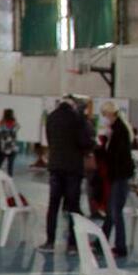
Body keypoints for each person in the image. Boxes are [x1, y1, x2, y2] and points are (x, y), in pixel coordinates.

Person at [39, 96, 93, 253]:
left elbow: (49, 140)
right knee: (73, 207)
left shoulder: (51, 117)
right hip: (73, 169)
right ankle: (72, 244)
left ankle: (49, 242)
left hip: (55, 166)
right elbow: (85, 142)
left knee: (53, 205)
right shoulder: (77, 118)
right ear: (73, 105)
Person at [99, 102, 134, 258]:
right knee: (111, 211)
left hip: (120, 176)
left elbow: (116, 156)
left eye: (105, 115)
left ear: (110, 114)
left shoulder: (119, 131)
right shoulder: (119, 129)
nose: (104, 118)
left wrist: (103, 147)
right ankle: (102, 241)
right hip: (119, 175)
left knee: (115, 212)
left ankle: (121, 248)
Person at [0, 108, 20, 176]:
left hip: (4, 147)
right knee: (10, 165)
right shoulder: (15, 123)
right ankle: (9, 180)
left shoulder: (1, 123)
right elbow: (17, 129)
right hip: (13, 146)